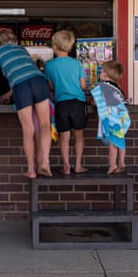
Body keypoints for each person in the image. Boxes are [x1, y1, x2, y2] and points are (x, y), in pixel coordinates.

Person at [0, 30, 52, 179]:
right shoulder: (21, 48)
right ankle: (45, 163)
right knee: (45, 125)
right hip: (39, 80)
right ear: (15, 40)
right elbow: (25, 73)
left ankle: (31, 169)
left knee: (28, 129)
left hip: (21, 87)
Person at [44, 30, 89, 175]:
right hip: (78, 102)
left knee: (64, 137)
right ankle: (78, 166)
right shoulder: (77, 64)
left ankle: (66, 166)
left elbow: (50, 86)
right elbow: (83, 85)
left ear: (55, 46)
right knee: (79, 136)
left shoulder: (49, 65)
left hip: (61, 104)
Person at [91, 60, 131, 175]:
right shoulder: (118, 87)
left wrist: (93, 102)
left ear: (106, 74)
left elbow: (96, 101)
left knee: (112, 143)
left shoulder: (103, 87)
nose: (99, 73)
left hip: (112, 118)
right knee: (119, 139)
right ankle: (121, 161)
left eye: (101, 71)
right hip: (121, 117)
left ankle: (113, 165)